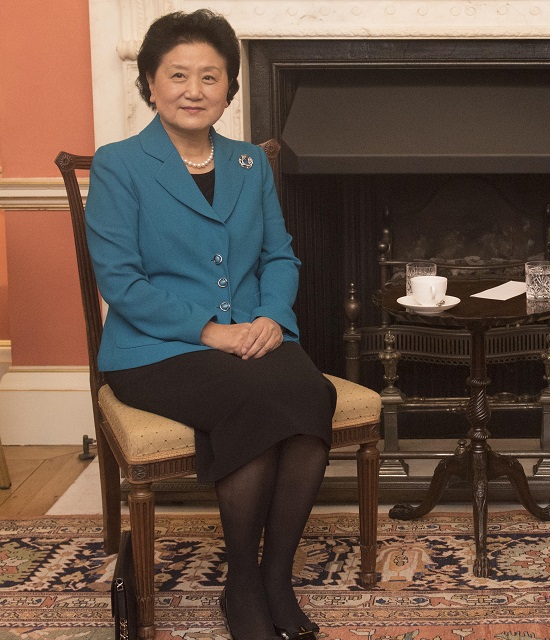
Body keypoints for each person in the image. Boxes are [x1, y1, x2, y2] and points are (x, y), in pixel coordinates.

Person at [85, 10, 333, 640]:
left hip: (253, 332)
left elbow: (280, 256)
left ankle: (274, 578)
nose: (193, 90)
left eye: (210, 77)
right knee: (251, 399)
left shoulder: (250, 163)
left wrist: (273, 318)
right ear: (149, 83)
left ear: (229, 90)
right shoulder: (120, 165)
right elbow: (122, 283)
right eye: (177, 75)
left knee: (310, 392)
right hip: (154, 349)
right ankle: (242, 590)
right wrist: (212, 332)